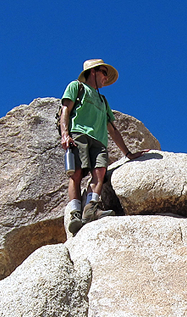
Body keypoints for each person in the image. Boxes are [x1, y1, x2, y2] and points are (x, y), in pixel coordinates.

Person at [60, 59, 145, 235]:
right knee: (75, 174)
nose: (106, 78)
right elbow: (65, 110)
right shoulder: (76, 87)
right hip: (79, 134)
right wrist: (65, 134)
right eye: (104, 73)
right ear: (93, 72)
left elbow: (112, 129)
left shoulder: (102, 100)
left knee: (99, 174)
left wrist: (128, 153)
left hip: (99, 141)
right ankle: (75, 214)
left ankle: (91, 209)